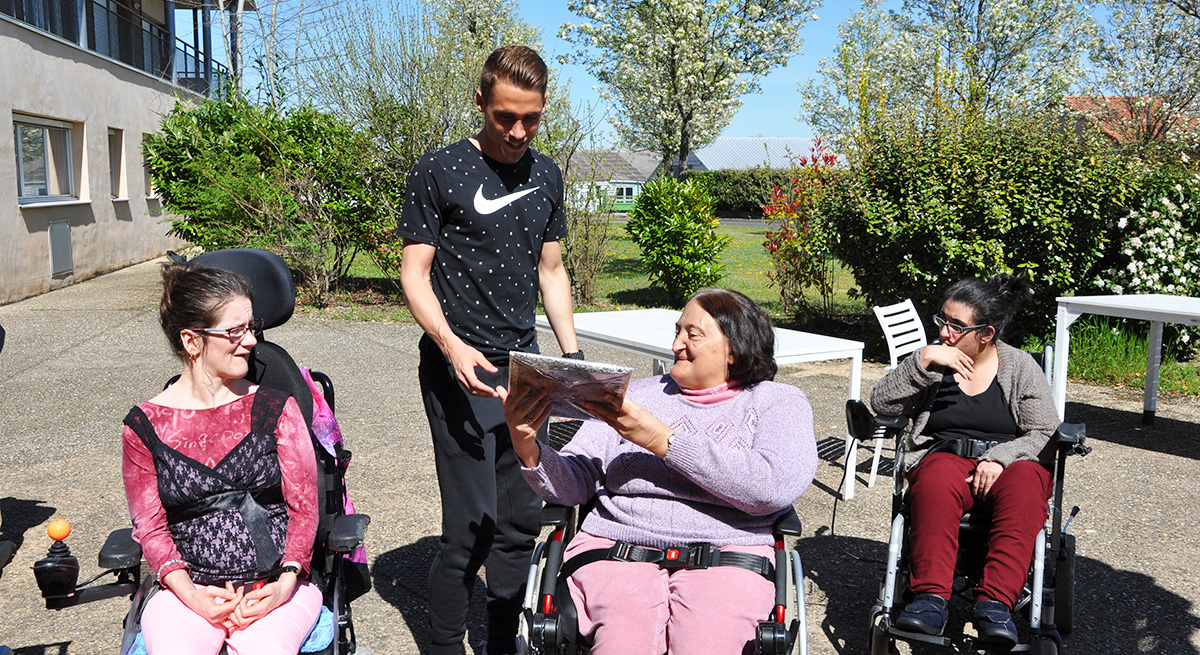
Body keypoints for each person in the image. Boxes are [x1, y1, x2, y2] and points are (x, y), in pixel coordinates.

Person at [497, 288, 817, 654]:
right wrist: (527, 446)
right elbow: (575, 485)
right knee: (624, 643)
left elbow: (773, 486)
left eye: (693, 334)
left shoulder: (778, 402)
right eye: (677, 331)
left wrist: (661, 440)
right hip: (616, 550)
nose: (677, 344)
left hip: (729, 555)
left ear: (735, 349)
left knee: (707, 644)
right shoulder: (632, 397)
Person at [397, 44, 579, 655]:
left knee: (521, 523)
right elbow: (415, 274)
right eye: (505, 117)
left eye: (531, 118)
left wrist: (570, 359)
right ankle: (446, 645)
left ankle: (502, 642)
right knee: (470, 529)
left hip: (524, 368)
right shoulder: (439, 170)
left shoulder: (547, 174)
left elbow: (551, 271)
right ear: (480, 103)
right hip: (460, 368)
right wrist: (450, 347)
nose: (518, 132)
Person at [121, 264, 321, 655]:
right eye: (235, 331)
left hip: (276, 585)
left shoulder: (276, 408)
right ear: (192, 341)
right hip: (187, 593)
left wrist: (285, 582)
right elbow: (151, 528)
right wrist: (192, 596)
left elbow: (305, 509)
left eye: (251, 327)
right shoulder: (144, 426)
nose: (251, 341)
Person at [870, 275, 1060, 647]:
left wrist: (999, 458)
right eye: (942, 320)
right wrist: (922, 360)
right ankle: (929, 599)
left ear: (986, 334)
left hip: (1008, 468)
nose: (944, 332)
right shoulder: (933, 363)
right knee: (936, 476)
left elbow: (1044, 432)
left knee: (1027, 484)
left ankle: (995, 606)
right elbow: (881, 403)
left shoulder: (1020, 367)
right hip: (946, 458)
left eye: (956, 326)